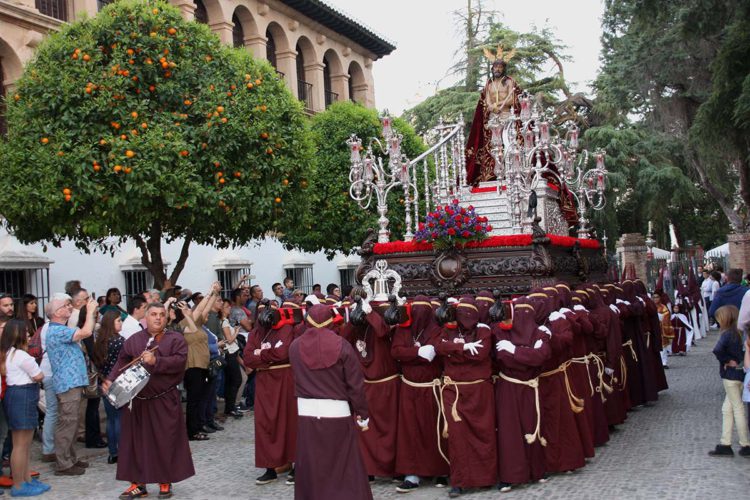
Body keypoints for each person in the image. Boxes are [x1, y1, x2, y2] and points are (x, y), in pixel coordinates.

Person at [102, 302, 195, 499]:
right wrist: (110, 379)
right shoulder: (134, 340)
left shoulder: (175, 339)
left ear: (166, 317)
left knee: (164, 440)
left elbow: (180, 362)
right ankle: (138, 484)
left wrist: (156, 361)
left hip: (163, 399)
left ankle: (164, 481)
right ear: (146, 317)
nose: (158, 318)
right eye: (153, 314)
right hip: (136, 399)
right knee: (133, 442)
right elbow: (122, 361)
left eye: (162, 314)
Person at [289, 304, 372, 500]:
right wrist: (362, 413)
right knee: (343, 465)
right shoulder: (342, 345)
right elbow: (355, 384)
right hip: (337, 412)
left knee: (312, 464)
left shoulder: (294, 347)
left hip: (307, 412)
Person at [436, 298, 496, 498]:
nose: (466, 318)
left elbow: (481, 353)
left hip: (479, 392)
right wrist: (460, 348)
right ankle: (459, 481)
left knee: (484, 434)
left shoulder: (484, 331)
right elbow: (439, 347)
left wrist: (453, 350)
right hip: (455, 393)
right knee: (457, 438)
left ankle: (485, 478)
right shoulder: (448, 329)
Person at [390, 295, 448, 492]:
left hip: (431, 387)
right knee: (409, 431)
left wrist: (413, 354)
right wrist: (417, 353)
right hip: (409, 387)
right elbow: (396, 352)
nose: (418, 315)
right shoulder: (403, 329)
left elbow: (434, 354)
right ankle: (411, 474)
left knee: (433, 428)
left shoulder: (437, 329)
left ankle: (440, 469)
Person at [243, 300, 297, 485]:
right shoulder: (255, 333)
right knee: (266, 423)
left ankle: (296, 465)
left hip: (285, 380)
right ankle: (270, 468)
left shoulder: (286, 329)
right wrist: (266, 355)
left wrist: (261, 354)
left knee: (290, 421)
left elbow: (283, 353)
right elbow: (248, 358)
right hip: (265, 383)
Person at [45, 293, 98, 476]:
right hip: (67, 384)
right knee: (67, 423)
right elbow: (86, 332)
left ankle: (70, 458)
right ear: (57, 312)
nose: (70, 307)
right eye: (66, 306)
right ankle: (63, 463)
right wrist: (90, 311)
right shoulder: (58, 330)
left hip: (72, 383)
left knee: (72, 423)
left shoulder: (60, 329)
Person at [0, 319, 50, 496]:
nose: (29, 336)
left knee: (23, 444)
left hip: (16, 396)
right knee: (21, 445)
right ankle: (20, 484)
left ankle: (26, 478)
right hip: (24, 395)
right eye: (26, 333)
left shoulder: (8, 353)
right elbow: (38, 375)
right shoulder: (22, 356)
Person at [465, 52, 521, 186]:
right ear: (492, 68)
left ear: (503, 68)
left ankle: (510, 171)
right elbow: (486, 101)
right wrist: (492, 107)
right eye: (495, 66)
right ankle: (495, 174)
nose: (497, 69)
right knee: (494, 146)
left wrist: (501, 106)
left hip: (506, 116)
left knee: (507, 144)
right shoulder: (489, 84)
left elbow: (513, 99)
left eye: (500, 67)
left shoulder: (509, 82)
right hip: (493, 117)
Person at [709, 305, 750, 457]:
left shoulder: (727, 334)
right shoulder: (740, 333)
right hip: (740, 374)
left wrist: (726, 360)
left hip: (730, 375)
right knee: (727, 409)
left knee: (737, 409)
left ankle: (745, 444)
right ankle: (725, 443)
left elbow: (717, 350)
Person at [91, 311, 125, 464]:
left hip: (104, 381)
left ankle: (113, 452)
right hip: (117, 381)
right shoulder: (119, 341)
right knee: (119, 418)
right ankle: (122, 450)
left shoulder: (100, 341)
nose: (121, 323)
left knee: (112, 419)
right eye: (118, 321)